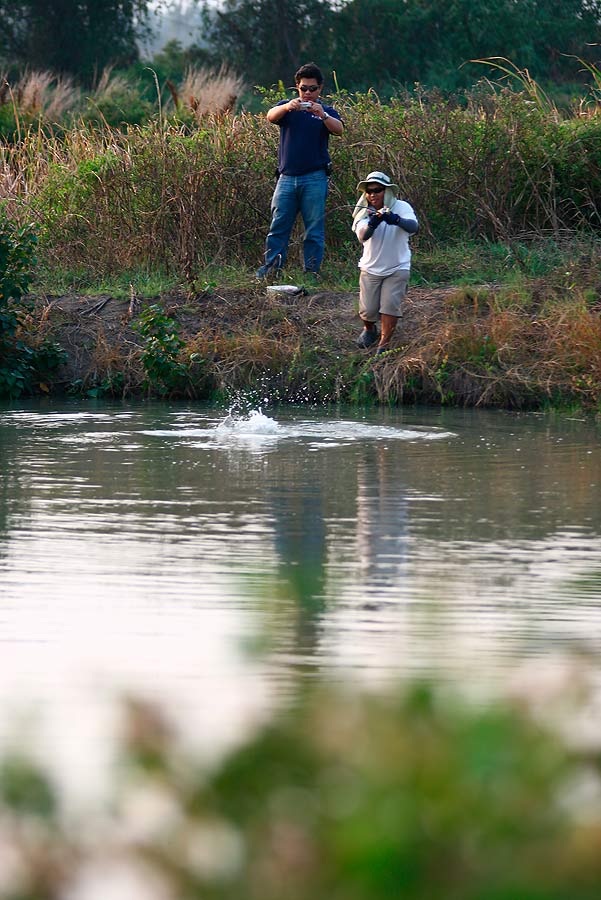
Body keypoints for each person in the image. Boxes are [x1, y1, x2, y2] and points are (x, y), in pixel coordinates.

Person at [256, 62, 343, 280]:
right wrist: (287, 107)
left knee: (314, 230)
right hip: (286, 178)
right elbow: (270, 116)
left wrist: (322, 115)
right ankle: (271, 270)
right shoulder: (287, 108)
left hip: (315, 177)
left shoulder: (325, 111)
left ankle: (311, 272)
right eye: (304, 88)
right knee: (278, 227)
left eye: (312, 89)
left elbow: (339, 129)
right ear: (297, 87)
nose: (308, 93)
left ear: (320, 88)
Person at [352, 171, 418, 354]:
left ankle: (384, 344)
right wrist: (373, 223)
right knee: (368, 309)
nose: (373, 194)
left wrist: (395, 220)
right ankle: (369, 329)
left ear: (387, 191)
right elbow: (363, 236)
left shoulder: (402, 207)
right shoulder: (363, 212)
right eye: (369, 191)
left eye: (378, 190)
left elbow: (414, 227)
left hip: (398, 267)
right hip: (370, 268)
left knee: (389, 305)